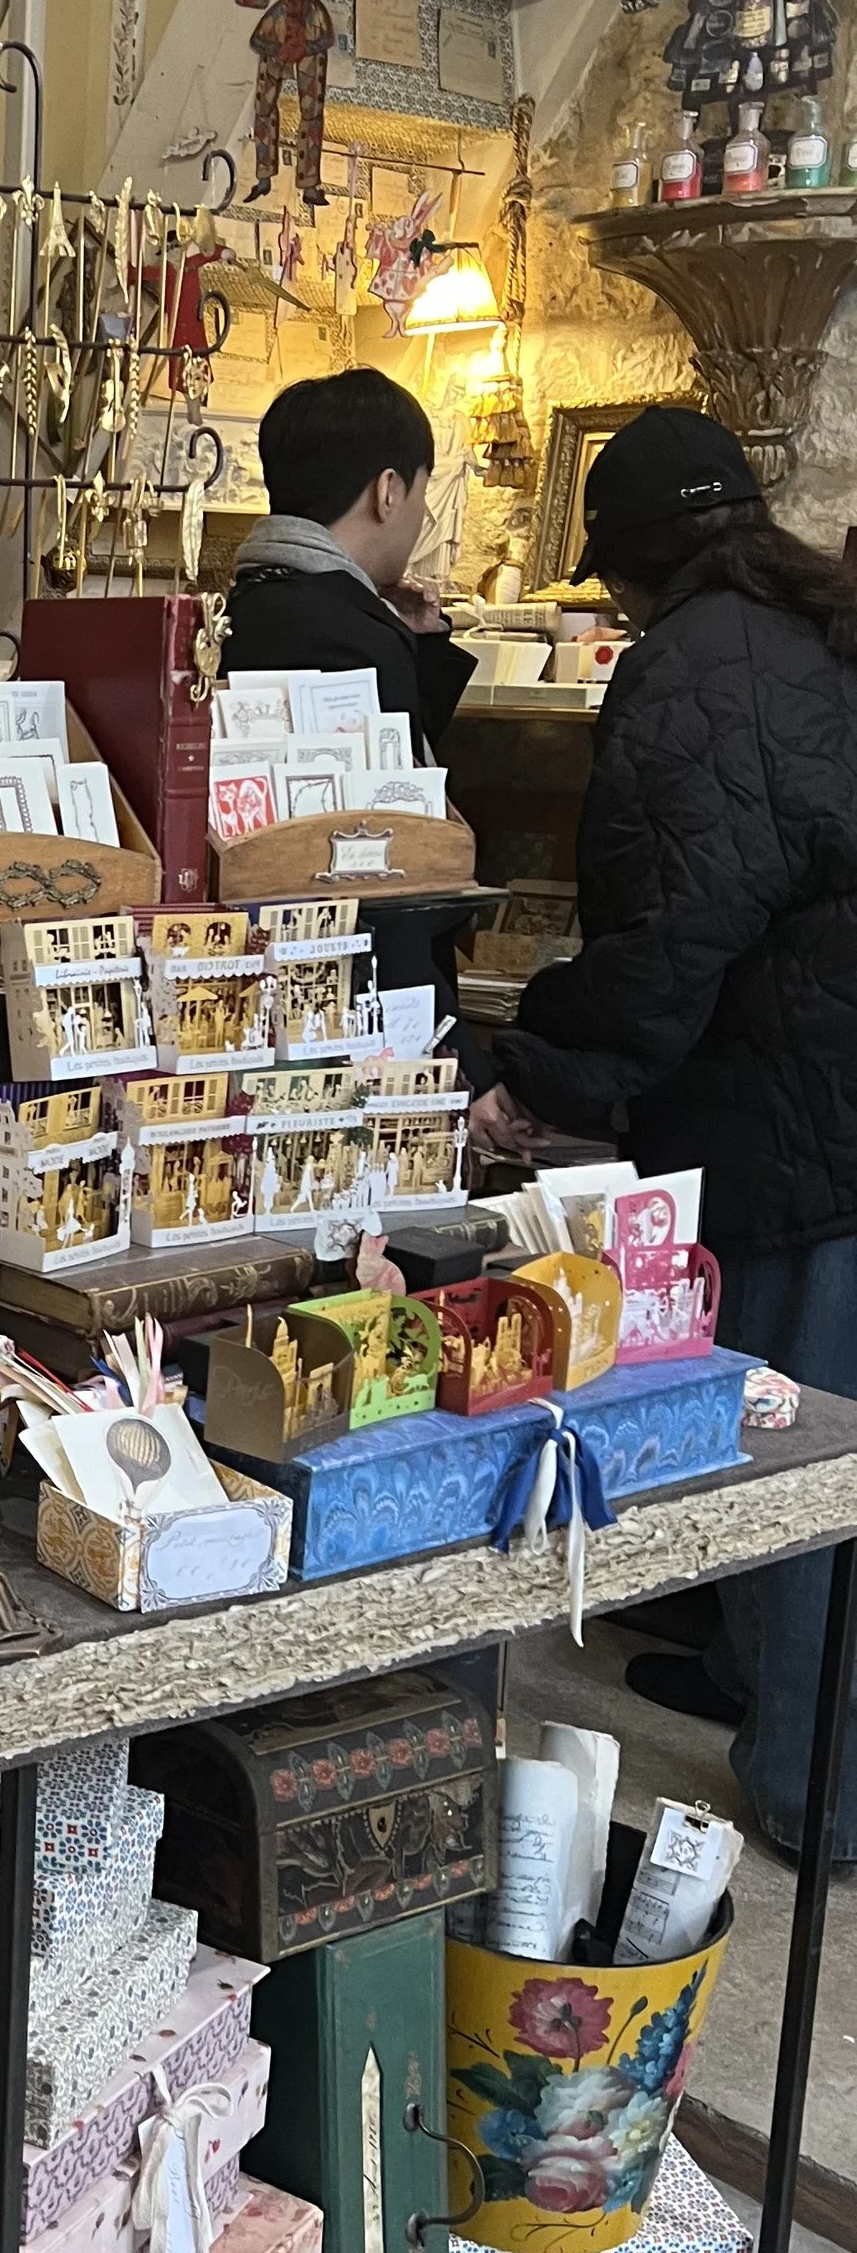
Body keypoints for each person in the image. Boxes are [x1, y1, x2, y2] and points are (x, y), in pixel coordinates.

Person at [474, 404, 857, 1865]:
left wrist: (544, 1072)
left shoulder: (696, 664)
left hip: (796, 1115)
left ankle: (819, 1794)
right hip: (819, 1092)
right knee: (780, 1413)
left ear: (631, 561)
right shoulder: (810, 623)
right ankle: (758, 1685)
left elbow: (669, 933)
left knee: (798, 1443)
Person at [224, 367, 479, 1033]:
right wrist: (451, 1047)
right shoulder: (348, 632)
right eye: (421, 494)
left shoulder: (241, 607)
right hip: (348, 994)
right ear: (388, 492)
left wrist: (415, 645)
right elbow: (383, 861)